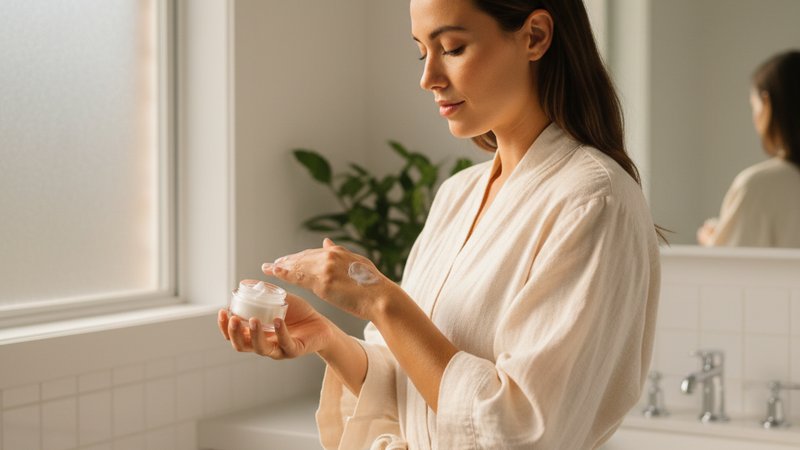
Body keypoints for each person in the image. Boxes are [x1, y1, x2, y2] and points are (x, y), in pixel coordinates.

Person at [218, 0, 661, 448]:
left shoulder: (593, 200)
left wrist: (379, 298)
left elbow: (524, 430)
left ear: (536, 36)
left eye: (452, 48)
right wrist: (326, 338)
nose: (428, 78)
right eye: (421, 52)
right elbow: (414, 384)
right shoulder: (458, 195)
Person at [697, 50, 800, 248]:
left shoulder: (758, 186)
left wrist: (712, 242)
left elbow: (732, 270)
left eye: (754, 106)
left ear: (767, 103)